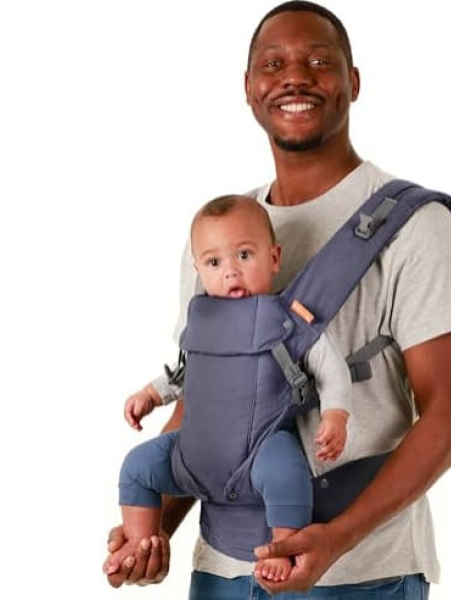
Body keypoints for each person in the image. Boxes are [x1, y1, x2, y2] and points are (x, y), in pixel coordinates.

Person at [105, 1, 451, 598]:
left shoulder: (418, 227)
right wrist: (154, 534)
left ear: (352, 81)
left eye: (319, 62)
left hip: (360, 576)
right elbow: (206, 400)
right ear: (249, 88)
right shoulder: (217, 236)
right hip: (222, 571)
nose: (295, 78)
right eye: (273, 64)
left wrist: (337, 538)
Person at [104, 194, 352, 583]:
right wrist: (151, 395)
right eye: (214, 263)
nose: (231, 272)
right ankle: (140, 540)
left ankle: (284, 547)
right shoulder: (200, 319)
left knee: (287, 474)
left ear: (274, 257)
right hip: (193, 454)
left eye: (244, 256)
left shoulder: (287, 320)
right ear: (198, 270)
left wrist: (336, 415)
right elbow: (185, 373)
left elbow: (332, 369)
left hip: (260, 449)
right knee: (137, 466)